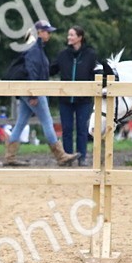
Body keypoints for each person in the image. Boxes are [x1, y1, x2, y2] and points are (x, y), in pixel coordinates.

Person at [2, 21, 80, 167]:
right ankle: (61, 156)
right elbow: (32, 71)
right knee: (47, 121)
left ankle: (9, 156)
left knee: (21, 122)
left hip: (30, 90)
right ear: (39, 32)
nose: (49, 34)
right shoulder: (34, 49)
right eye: (47, 31)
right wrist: (33, 94)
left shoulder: (35, 48)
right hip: (35, 90)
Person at [49, 26, 99, 166]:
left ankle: (82, 157)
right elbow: (51, 70)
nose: (69, 37)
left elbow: (97, 72)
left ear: (80, 37)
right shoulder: (62, 55)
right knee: (67, 129)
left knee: (82, 129)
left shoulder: (90, 55)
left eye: (72, 35)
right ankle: (67, 157)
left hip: (84, 99)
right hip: (65, 99)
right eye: (68, 35)